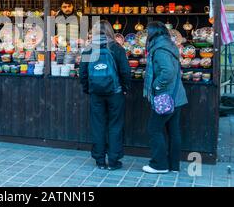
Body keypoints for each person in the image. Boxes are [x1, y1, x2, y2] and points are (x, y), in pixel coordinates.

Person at [79, 20, 131, 170]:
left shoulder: (88, 49)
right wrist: (125, 87)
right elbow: (125, 72)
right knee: (115, 125)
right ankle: (114, 161)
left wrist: (87, 88)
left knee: (98, 125)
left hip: (96, 93)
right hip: (115, 93)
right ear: (110, 31)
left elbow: (82, 73)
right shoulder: (116, 48)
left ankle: (100, 160)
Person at [142, 21, 188, 174]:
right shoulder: (169, 45)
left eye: (148, 33)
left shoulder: (160, 49)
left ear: (153, 34)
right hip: (176, 97)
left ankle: (159, 165)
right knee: (173, 130)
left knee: (154, 129)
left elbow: (167, 72)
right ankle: (173, 165)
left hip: (165, 97)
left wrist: (156, 85)